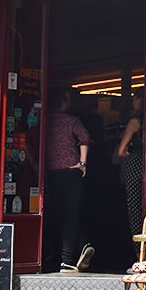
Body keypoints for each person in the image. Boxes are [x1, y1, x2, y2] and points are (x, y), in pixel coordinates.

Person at [45, 88, 94, 273]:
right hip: (72, 172)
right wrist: (82, 162)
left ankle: (68, 253)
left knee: (58, 215)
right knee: (72, 215)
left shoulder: (45, 121)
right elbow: (85, 138)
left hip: (51, 173)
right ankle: (69, 256)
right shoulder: (72, 120)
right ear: (64, 104)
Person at [115, 93, 146, 244]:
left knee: (135, 212)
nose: (132, 101)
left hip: (135, 166)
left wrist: (128, 151)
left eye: (135, 97)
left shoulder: (135, 122)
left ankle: (138, 251)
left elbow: (120, 151)